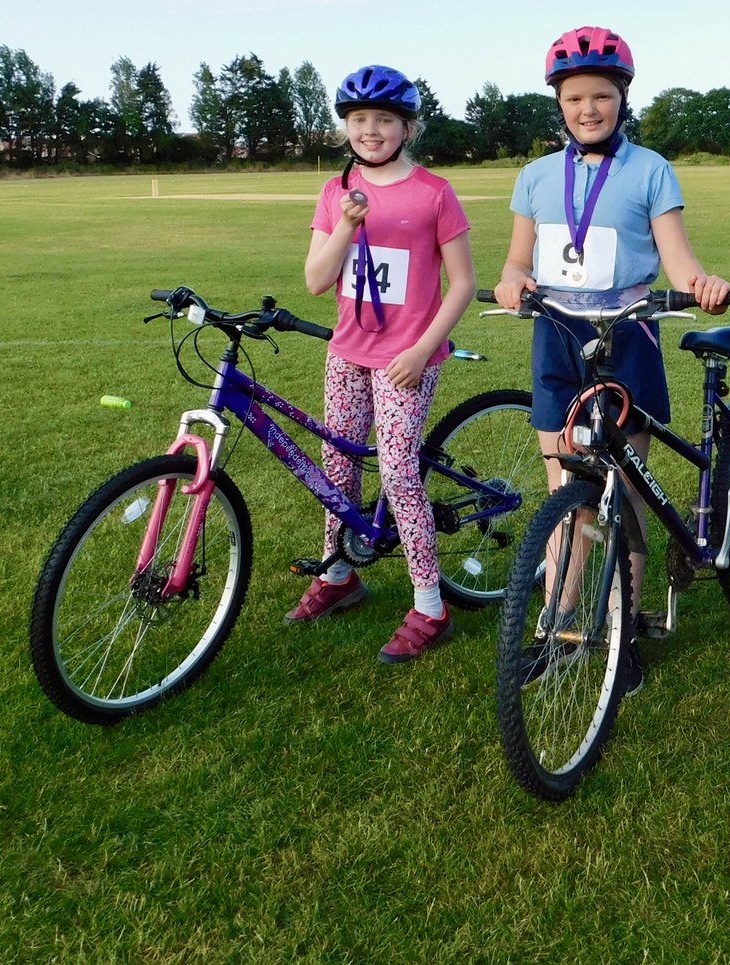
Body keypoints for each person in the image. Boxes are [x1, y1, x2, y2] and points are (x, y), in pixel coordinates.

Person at [493, 25, 730, 693]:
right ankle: (557, 624)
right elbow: (518, 257)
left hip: (628, 337)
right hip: (558, 338)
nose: (588, 109)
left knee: (621, 499)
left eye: (601, 96)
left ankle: (623, 635)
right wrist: (514, 279)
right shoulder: (535, 176)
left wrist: (701, 282)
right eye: (574, 99)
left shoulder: (651, 169)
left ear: (622, 99)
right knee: (565, 498)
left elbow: (678, 258)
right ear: (559, 105)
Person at [286, 64, 476, 665]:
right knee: (335, 468)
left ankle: (430, 606)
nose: (370, 130)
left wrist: (422, 351)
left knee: (397, 472)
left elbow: (464, 284)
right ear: (346, 126)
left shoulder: (434, 193)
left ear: (406, 127)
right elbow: (317, 281)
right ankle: (340, 575)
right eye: (359, 120)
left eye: (384, 120)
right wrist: (346, 221)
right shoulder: (336, 191)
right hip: (346, 353)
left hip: (405, 359)